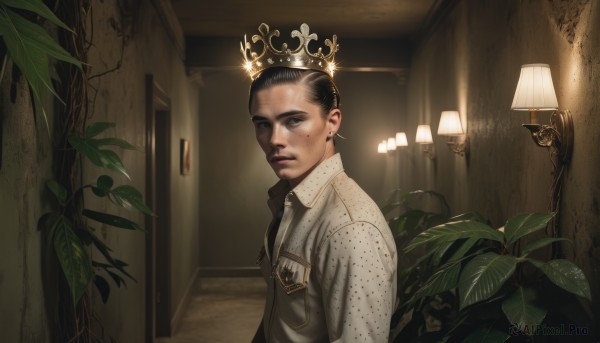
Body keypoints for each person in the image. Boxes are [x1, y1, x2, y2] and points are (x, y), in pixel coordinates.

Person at [242, 23, 397, 343]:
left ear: (332, 122)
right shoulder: (288, 202)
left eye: (293, 120)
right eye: (262, 124)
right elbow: (279, 317)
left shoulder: (351, 229)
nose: (275, 140)